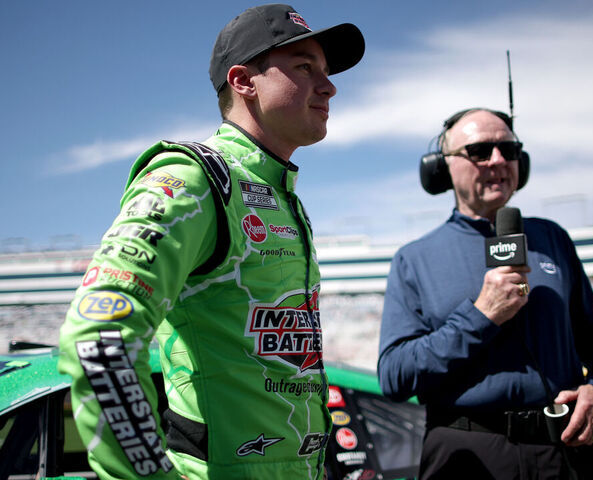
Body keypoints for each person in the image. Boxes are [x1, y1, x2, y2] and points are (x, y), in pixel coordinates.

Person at [57, 5, 365, 479]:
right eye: (305, 67)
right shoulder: (193, 178)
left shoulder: (282, 198)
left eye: (325, 71)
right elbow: (98, 335)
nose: (329, 86)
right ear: (243, 81)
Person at [377, 108, 593, 479]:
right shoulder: (414, 259)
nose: (498, 160)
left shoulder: (552, 238)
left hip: (566, 451)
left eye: (508, 150)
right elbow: (395, 376)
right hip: (467, 456)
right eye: (480, 151)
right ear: (442, 168)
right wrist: (480, 316)